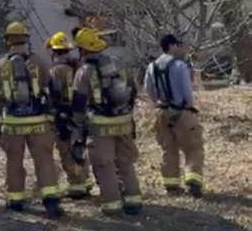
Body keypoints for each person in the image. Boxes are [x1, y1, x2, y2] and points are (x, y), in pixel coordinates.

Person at [0, 21, 64, 218]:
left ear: (8, 40)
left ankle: (16, 200)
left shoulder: (1, 65)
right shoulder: (39, 62)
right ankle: (51, 200)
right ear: (26, 39)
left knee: (14, 161)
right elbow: (52, 90)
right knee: (44, 160)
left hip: (12, 124)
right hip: (39, 122)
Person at [72, 27, 142, 216]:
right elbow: (133, 90)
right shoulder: (118, 63)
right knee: (125, 162)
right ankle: (133, 201)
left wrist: (78, 127)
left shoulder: (84, 72)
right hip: (124, 121)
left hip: (100, 125)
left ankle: (112, 205)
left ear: (82, 49)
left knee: (105, 165)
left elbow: (78, 105)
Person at [144, 33, 204, 198]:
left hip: (162, 112)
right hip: (181, 111)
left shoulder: (151, 67)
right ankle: (193, 181)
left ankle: (171, 185)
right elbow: (187, 92)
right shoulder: (179, 66)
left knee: (168, 149)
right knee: (193, 147)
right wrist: (189, 106)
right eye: (177, 44)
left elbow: (148, 89)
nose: (179, 47)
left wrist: (157, 102)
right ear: (171, 46)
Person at [47, 31, 94, 199]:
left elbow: (53, 96)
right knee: (80, 148)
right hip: (82, 115)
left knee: (66, 150)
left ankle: (76, 185)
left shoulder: (55, 71)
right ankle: (85, 181)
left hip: (64, 117)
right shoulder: (80, 66)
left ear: (54, 51)